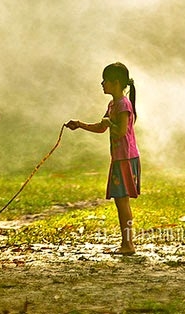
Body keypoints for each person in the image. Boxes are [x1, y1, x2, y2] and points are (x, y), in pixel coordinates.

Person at [65, 62, 140, 255]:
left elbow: (121, 131)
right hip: (120, 158)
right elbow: (101, 127)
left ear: (115, 82)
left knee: (122, 201)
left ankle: (128, 244)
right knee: (120, 200)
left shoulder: (123, 104)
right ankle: (127, 243)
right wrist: (79, 124)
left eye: (105, 80)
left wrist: (109, 123)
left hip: (125, 158)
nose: (102, 83)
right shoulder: (113, 104)